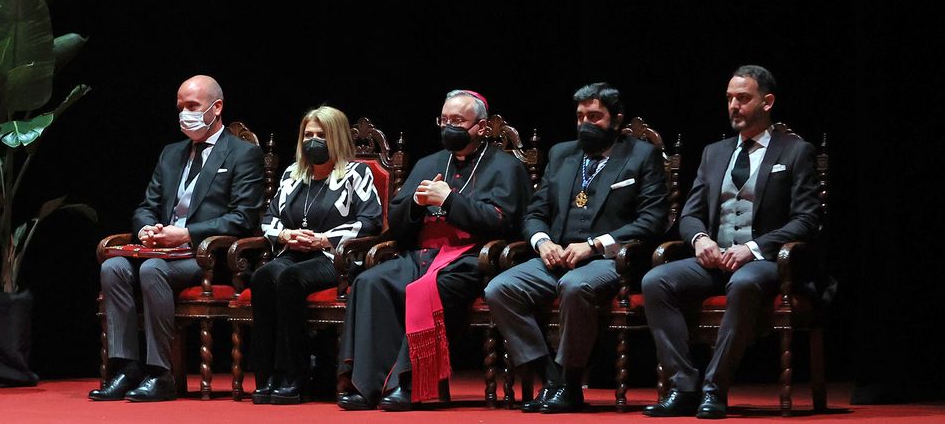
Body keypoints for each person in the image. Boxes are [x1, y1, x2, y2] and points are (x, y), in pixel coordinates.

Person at [641, 65, 822, 419]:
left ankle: (714, 389)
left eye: (743, 98)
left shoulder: (795, 151)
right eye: (729, 99)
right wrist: (699, 239)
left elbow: (807, 219)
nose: (734, 106)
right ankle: (685, 385)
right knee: (655, 281)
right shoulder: (714, 152)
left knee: (742, 282)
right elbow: (689, 213)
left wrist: (752, 249)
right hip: (714, 259)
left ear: (767, 102)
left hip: (766, 263)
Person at [337, 90, 530, 412]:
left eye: (458, 121)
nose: (448, 127)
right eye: (444, 120)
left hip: (472, 258)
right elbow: (397, 225)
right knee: (371, 282)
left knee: (431, 289)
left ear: (481, 127)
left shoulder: (507, 167)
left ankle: (409, 384)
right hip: (422, 255)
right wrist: (415, 203)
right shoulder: (429, 163)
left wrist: (450, 200)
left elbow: (505, 222)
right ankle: (367, 384)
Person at [484, 82, 669, 413]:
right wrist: (543, 243)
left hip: (610, 260)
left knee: (575, 286)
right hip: (556, 256)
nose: (586, 123)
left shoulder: (642, 156)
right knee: (500, 289)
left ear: (617, 119)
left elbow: (652, 221)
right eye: (581, 116)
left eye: (595, 116)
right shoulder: (562, 153)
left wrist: (593, 246)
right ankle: (552, 378)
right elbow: (536, 213)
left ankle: (570, 382)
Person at [90, 75, 267, 402]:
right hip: (161, 251)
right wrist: (146, 229)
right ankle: (125, 368)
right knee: (113, 267)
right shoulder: (171, 154)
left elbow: (243, 218)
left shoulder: (242, 154)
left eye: (193, 106)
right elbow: (147, 206)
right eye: (180, 107)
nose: (185, 114)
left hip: (206, 258)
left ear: (217, 108)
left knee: (151, 270)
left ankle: (161, 373)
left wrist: (185, 233)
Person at [250, 105, 384, 405]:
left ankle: (295, 374)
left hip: (334, 259)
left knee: (289, 279)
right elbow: (269, 218)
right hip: (294, 251)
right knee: (262, 277)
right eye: (308, 134)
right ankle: (267, 374)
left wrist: (324, 240)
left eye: (321, 135)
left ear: (335, 137)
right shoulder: (293, 174)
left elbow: (370, 222)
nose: (313, 141)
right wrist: (286, 235)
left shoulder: (356, 174)